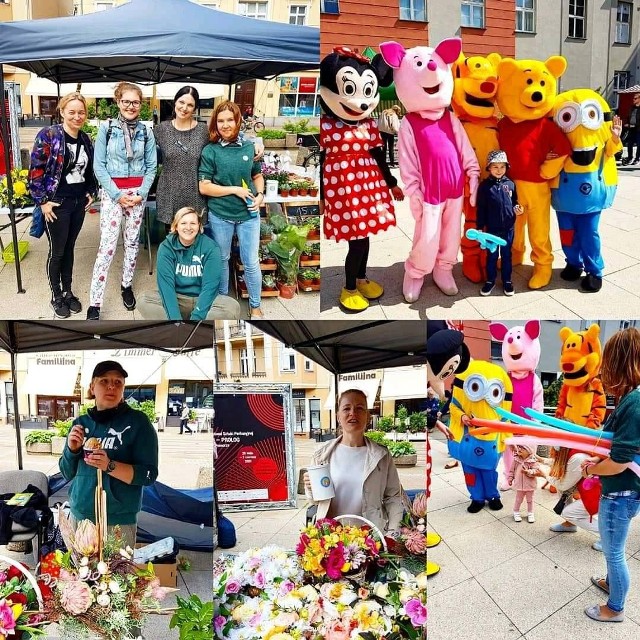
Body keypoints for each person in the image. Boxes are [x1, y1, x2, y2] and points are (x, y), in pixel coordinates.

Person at [59, 360, 159, 549]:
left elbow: (149, 475)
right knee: (79, 576)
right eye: (104, 381)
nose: (111, 386)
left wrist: (109, 465)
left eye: (118, 382)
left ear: (123, 389)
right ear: (92, 387)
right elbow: (66, 473)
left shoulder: (138, 423)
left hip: (118, 520)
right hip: (80, 516)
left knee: (116, 577)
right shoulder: (80, 423)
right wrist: (72, 450)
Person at [580, 328, 640, 623]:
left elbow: (619, 461)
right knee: (612, 548)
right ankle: (610, 583)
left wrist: (592, 468)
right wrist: (597, 458)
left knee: (614, 551)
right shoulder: (632, 397)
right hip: (623, 490)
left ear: (621, 362)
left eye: (609, 362)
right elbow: (618, 447)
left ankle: (615, 608)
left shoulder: (635, 402)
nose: (604, 371)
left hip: (620, 493)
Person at [88, 81, 158, 320]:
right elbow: (99, 166)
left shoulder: (146, 132)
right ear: (118, 102)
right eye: (126, 101)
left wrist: (141, 193)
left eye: (135, 102)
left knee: (131, 243)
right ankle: (95, 302)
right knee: (107, 247)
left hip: (137, 194)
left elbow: (151, 167)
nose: (131, 106)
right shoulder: (106, 129)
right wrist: (117, 195)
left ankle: (126, 285)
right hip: (112, 194)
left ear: (141, 104)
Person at [28, 92, 98, 318]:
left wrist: (91, 191)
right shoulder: (49, 135)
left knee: (69, 248)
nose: (77, 116)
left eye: (81, 112)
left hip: (78, 203)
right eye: (72, 112)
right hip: (57, 204)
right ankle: (56, 295)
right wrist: (43, 202)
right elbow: (35, 171)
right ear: (62, 112)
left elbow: (89, 171)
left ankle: (68, 292)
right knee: (57, 251)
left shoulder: (85, 139)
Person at [198, 100, 265, 319]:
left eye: (230, 120)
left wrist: (261, 195)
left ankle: (255, 306)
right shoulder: (211, 151)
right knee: (223, 258)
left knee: (251, 261)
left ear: (238, 121)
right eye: (220, 121)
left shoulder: (249, 147)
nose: (225, 125)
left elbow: (257, 176)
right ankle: (223, 302)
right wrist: (235, 189)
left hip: (249, 215)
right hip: (221, 215)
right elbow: (204, 186)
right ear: (215, 124)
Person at [303, 389, 403, 534]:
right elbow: (315, 501)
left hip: (371, 538)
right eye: (346, 408)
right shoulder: (322, 456)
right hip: (331, 540)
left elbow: (393, 497)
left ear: (368, 416)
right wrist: (310, 488)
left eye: (359, 408)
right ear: (338, 416)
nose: (352, 413)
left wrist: (393, 531)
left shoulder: (382, 456)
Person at [137, 206, 241, 320]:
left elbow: (210, 287)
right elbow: (166, 287)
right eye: (183, 223)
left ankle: (196, 328)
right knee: (144, 300)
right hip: (178, 298)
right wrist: (176, 321)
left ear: (199, 226)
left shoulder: (211, 248)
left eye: (193, 223)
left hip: (202, 299)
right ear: (176, 226)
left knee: (232, 307)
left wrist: (196, 318)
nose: (188, 227)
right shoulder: (166, 248)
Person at [153, 86, 210, 233]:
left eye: (190, 105)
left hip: (196, 195)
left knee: (194, 241)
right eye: (181, 102)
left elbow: (227, 139)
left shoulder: (204, 131)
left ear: (195, 108)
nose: (184, 108)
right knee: (172, 241)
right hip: (169, 195)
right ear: (175, 102)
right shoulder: (161, 130)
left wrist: (255, 146)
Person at [476, 149, 523, 297]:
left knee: (507, 255)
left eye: (502, 166)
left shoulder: (510, 184)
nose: (499, 170)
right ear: (489, 167)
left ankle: (507, 281)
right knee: (491, 256)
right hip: (491, 229)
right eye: (495, 166)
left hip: (508, 228)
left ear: (506, 167)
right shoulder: (484, 187)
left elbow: (514, 201)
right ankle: (490, 280)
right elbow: (481, 208)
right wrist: (480, 227)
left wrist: (517, 208)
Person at [509, 443, 545, 523]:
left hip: (530, 485)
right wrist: (510, 478)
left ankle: (530, 513)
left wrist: (529, 471)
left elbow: (536, 470)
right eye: (519, 447)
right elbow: (512, 470)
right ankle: (516, 512)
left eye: (523, 448)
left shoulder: (533, 461)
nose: (519, 449)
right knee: (518, 499)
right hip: (519, 484)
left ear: (529, 450)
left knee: (530, 500)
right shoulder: (516, 459)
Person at [622, 93, 640, 166]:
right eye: (633, 98)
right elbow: (628, 117)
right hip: (631, 129)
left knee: (639, 145)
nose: (633, 100)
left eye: (635, 98)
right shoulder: (631, 107)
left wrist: (634, 125)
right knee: (630, 144)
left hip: (638, 130)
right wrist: (627, 124)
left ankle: (637, 159)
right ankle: (630, 158)